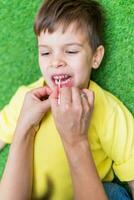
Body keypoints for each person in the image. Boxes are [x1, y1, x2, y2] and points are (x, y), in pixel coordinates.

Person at [0, 0, 134, 199]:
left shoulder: (108, 110)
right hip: (36, 193)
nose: (56, 62)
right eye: (45, 52)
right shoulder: (26, 98)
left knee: (114, 192)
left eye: (71, 51)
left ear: (96, 57)